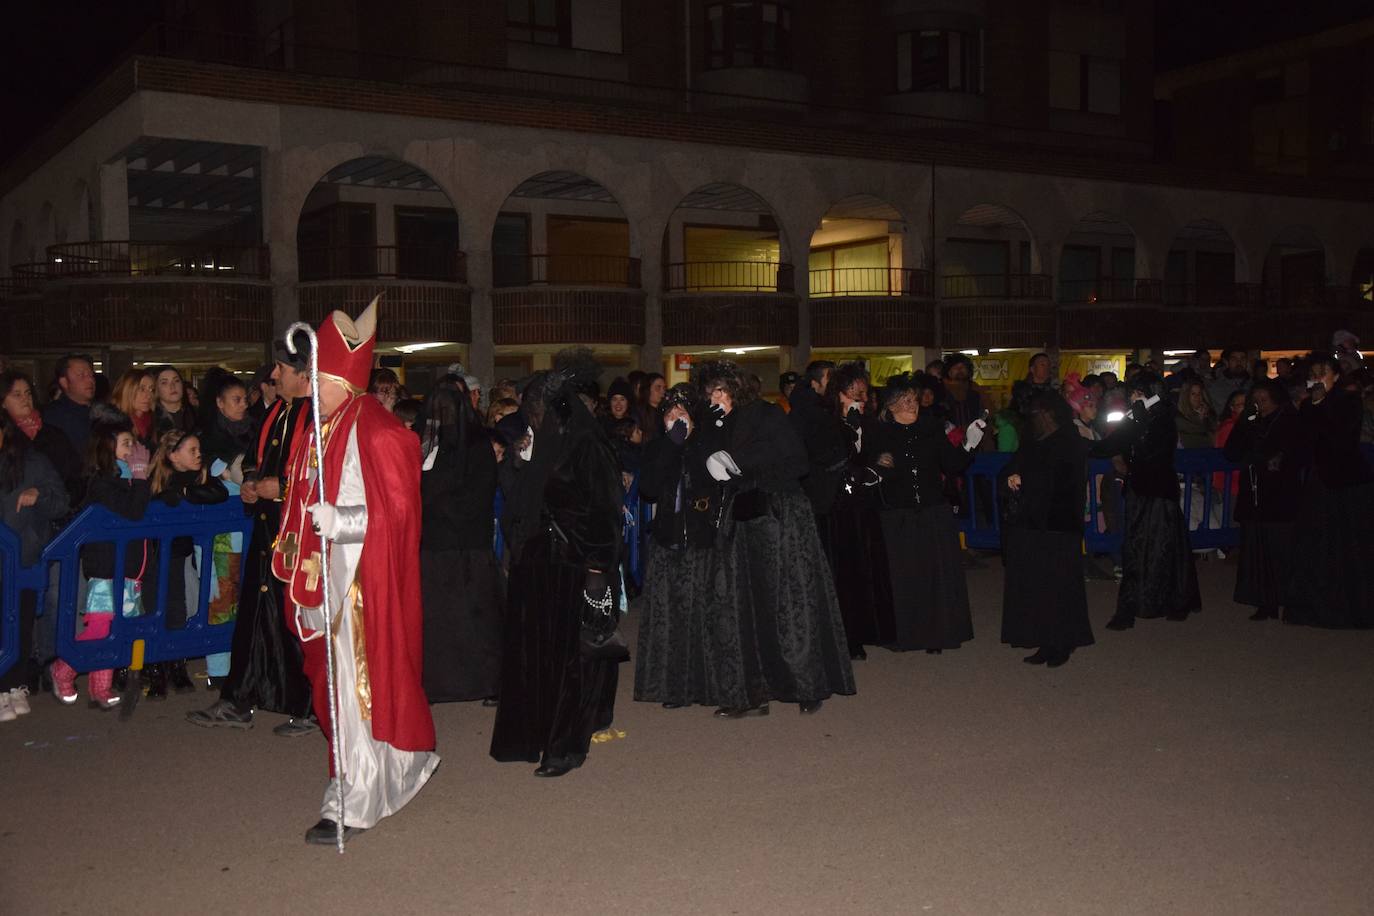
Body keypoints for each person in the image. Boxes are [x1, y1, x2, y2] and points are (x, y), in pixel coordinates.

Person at [274, 300, 438, 843]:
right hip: (322, 579)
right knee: (337, 692)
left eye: (319, 379)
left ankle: (355, 797)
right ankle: (381, 774)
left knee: (356, 691)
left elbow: (396, 516)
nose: (310, 388)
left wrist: (339, 519)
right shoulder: (315, 422)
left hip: (358, 587)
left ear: (344, 381)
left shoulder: (378, 430)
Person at [490, 349, 626, 776]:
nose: (531, 420)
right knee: (536, 655)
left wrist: (599, 573)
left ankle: (565, 744)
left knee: (573, 658)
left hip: (576, 566)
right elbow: (518, 507)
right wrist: (519, 462)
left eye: (536, 412)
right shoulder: (540, 448)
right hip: (537, 566)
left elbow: (605, 513)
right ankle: (535, 733)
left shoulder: (588, 447)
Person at [696, 359, 855, 716]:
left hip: (780, 516)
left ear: (735, 388)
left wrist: (743, 465)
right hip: (742, 519)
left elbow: (798, 462)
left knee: (789, 598)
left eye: (719, 390)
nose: (714, 397)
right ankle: (751, 692)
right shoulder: (718, 423)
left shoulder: (767, 415)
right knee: (742, 603)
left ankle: (805, 684)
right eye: (709, 392)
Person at [188, 338, 315, 735]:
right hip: (266, 527)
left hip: (299, 534)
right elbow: (259, 463)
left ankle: (310, 706)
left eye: (280, 368)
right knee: (257, 616)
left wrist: (282, 488)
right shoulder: (278, 411)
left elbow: (324, 475)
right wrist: (251, 483)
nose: (272, 376)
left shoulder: (320, 417)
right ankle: (239, 699)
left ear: (302, 373)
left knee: (297, 618)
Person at [633, 382, 741, 708]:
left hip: (703, 540)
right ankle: (674, 688)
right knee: (672, 618)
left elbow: (723, 479)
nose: (675, 416)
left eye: (682, 411)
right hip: (668, 543)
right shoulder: (657, 447)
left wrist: (693, 442)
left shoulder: (707, 443)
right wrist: (670, 445)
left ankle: (708, 686)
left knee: (706, 616)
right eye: (669, 411)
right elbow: (649, 488)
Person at [867, 373, 982, 653]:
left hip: (932, 512)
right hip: (898, 515)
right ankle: (904, 635)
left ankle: (937, 635)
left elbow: (952, 464)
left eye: (914, 399)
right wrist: (877, 467)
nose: (912, 404)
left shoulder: (930, 429)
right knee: (903, 577)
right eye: (905, 400)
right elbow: (869, 470)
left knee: (934, 576)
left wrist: (968, 443)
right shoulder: (878, 433)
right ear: (891, 405)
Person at [50, 405, 151, 709]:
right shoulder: (103, 483)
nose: (133, 450)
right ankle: (63, 669)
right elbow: (133, 511)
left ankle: (100, 687)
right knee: (98, 630)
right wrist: (141, 475)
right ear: (108, 451)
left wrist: (140, 478)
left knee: (115, 630)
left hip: (128, 570)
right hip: (107, 570)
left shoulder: (126, 481)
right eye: (126, 445)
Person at [1090, 371, 1201, 628]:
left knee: (1165, 547)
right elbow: (1112, 444)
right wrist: (1083, 446)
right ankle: (1132, 606)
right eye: (1131, 393)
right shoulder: (1136, 418)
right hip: (1139, 490)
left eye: (1136, 392)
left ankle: (1174, 601)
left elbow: (1154, 454)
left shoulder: (1163, 419)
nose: (1131, 397)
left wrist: (1137, 423)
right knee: (1135, 548)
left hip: (1160, 492)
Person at [417, 376, 503, 705]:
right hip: (436, 545)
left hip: (467, 543)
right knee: (438, 620)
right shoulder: (424, 444)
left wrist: (439, 504)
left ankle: (490, 682)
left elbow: (479, 494)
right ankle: (437, 684)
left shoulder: (477, 444)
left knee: (476, 618)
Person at [801, 362, 894, 660]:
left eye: (864, 393)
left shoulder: (868, 423)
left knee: (866, 568)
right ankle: (841, 636)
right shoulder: (824, 422)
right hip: (834, 508)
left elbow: (882, 457)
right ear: (839, 394)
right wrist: (854, 451)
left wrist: (874, 464)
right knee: (839, 572)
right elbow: (827, 462)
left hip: (862, 506)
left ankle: (869, 630)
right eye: (856, 393)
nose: (862, 399)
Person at [1000, 391, 1094, 667]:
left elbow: (1063, 485)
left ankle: (1061, 641)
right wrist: (1012, 479)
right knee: (1038, 586)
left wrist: (1026, 480)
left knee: (1059, 587)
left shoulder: (1069, 443)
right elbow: (1011, 468)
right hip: (1033, 525)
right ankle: (1043, 639)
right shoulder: (1032, 441)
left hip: (1059, 526)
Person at [1285, 354, 1374, 629]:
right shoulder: (1310, 405)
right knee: (1316, 545)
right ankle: (1316, 608)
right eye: (1314, 372)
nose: (1317, 377)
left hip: (1347, 484)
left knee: (1349, 549)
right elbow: (1303, 439)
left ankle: (1353, 609)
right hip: (1320, 482)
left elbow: (1340, 439)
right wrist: (1312, 405)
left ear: (1335, 375)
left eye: (1322, 371)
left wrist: (1320, 404)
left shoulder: (1348, 401)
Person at [146, 429, 229, 699]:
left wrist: (186, 492)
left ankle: (176, 663)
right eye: (191, 450)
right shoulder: (157, 481)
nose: (198, 455)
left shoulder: (196, 478)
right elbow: (152, 502)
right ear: (173, 456)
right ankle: (156, 668)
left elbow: (218, 493)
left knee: (178, 608)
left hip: (181, 554)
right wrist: (175, 493)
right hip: (156, 554)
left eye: (199, 449)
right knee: (156, 608)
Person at [0, 411, 70, 722]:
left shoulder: (34, 461)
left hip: (23, 555)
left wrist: (38, 495)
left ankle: (14, 684)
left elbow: (61, 502)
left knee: (20, 619)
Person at [1223, 379, 1300, 621]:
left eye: (1264, 400)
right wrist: (1245, 423)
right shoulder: (1252, 422)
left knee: (1281, 550)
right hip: (1254, 493)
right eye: (1255, 401)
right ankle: (1264, 602)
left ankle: (1289, 601)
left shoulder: (1289, 420)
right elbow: (1231, 452)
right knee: (1257, 550)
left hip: (1279, 495)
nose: (1260, 405)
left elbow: (1289, 454)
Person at [2, 370, 83, 506]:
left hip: (52, 514)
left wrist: (59, 498)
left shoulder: (53, 434)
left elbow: (75, 477)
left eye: (28, 393)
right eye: (17, 395)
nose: (25, 399)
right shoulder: (3, 437)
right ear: (2, 402)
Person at [42, 354, 96, 455]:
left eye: (91, 375)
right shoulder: (53, 416)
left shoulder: (101, 413)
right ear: (64, 382)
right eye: (81, 375)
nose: (90, 380)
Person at [109, 368, 157, 448]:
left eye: (151, 389)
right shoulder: (113, 425)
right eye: (142, 389)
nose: (149, 395)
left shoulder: (154, 421)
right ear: (127, 390)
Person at [151, 365, 198, 437]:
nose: (172, 386)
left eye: (176, 381)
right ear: (156, 388)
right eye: (164, 383)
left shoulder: (197, 414)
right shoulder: (151, 420)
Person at [1206, 347, 1251, 416]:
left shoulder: (1254, 386)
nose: (1239, 362)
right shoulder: (1215, 388)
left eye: (1242, 358)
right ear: (1226, 362)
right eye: (1234, 359)